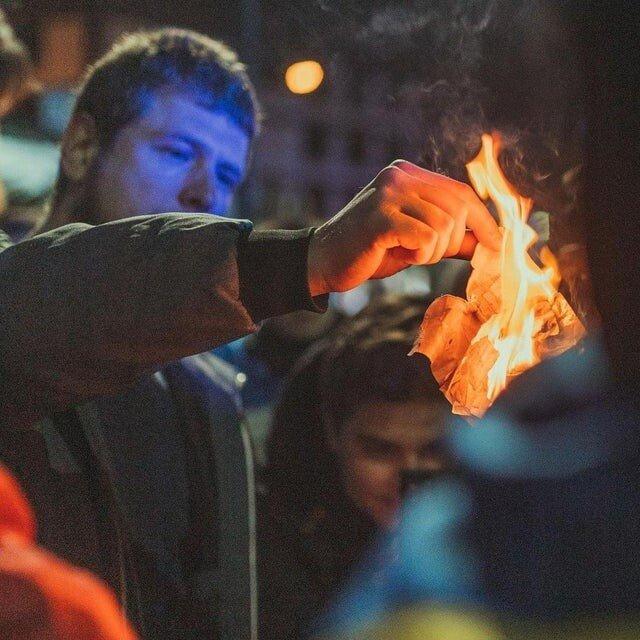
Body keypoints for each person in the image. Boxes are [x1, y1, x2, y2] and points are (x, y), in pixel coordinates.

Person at [0, 27, 501, 640]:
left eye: (228, 173)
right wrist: (302, 260)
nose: (203, 191)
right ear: (81, 145)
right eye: (178, 151)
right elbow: (53, 298)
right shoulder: (17, 314)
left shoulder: (212, 395)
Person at [260, 295, 455, 640]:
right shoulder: (271, 564)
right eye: (380, 450)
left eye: (432, 450)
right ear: (334, 435)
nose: (407, 475)